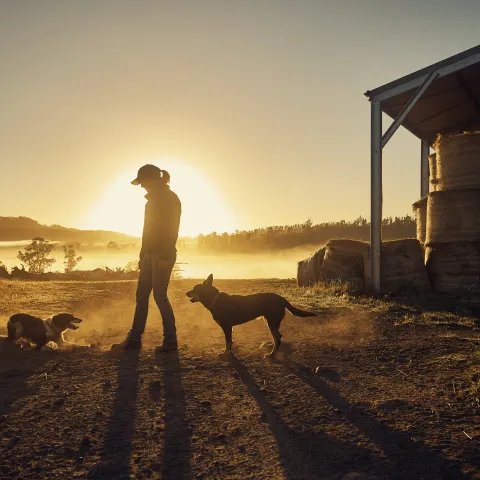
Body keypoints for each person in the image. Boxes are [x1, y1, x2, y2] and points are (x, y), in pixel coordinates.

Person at [112, 164, 181, 353]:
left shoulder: (169, 199)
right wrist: (143, 255)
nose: (142, 186)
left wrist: (165, 256)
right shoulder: (151, 201)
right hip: (150, 254)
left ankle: (171, 341)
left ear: (152, 180)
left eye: (143, 182)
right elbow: (147, 230)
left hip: (162, 253)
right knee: (141, 296)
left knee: (159, 296)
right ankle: (134, 340)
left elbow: (171, 229)